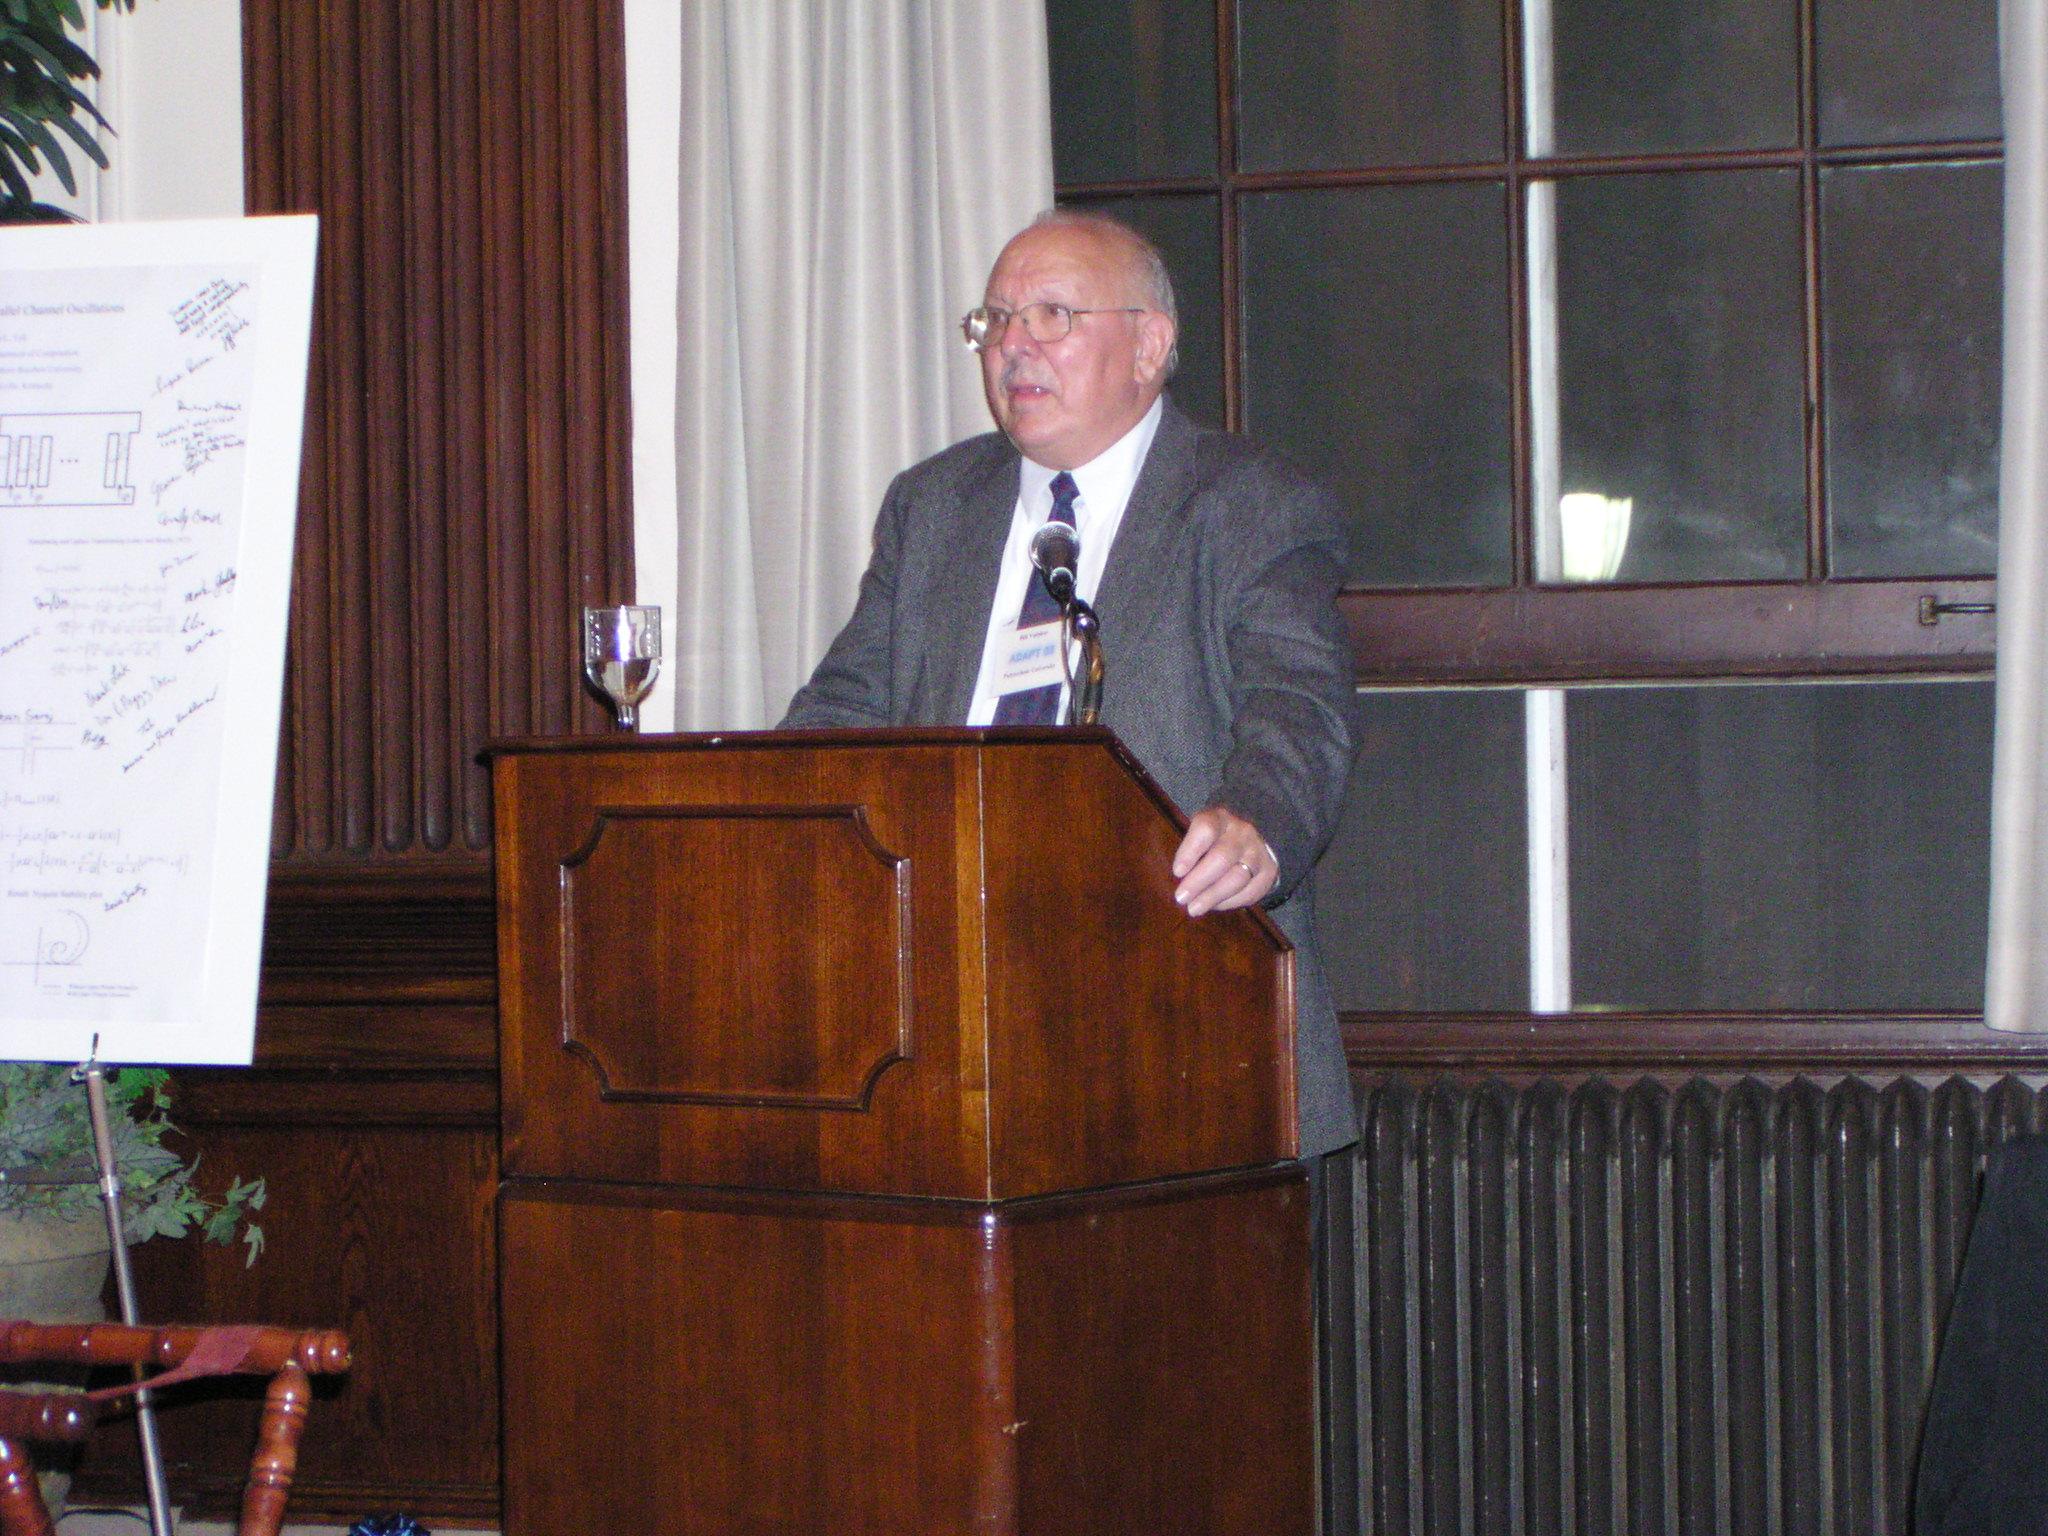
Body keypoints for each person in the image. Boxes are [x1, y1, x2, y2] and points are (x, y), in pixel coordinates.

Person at [780, 208, 1358, 1159]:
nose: (1014, 345)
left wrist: (1258, 822)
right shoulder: (933, 506)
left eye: (1052, 315)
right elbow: (840, 715)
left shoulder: (1248, 501)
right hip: (942, 1026)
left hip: (1179, 1022)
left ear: (1149, 346)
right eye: (996, 320)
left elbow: (1297, 705)